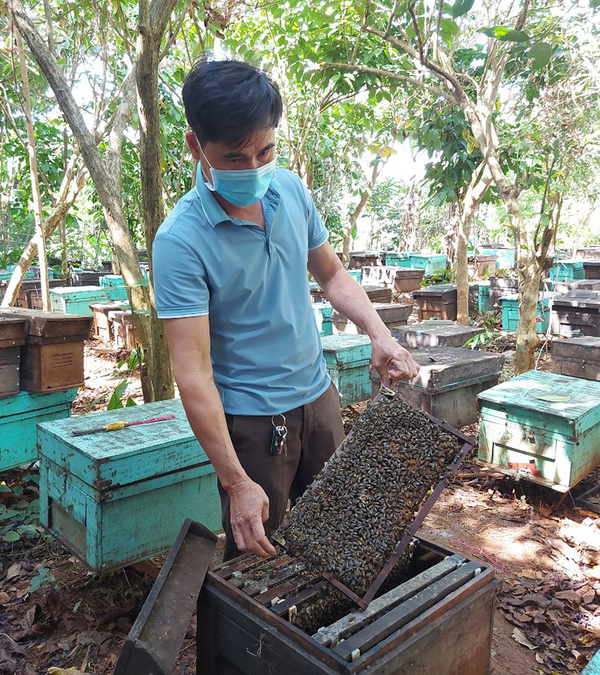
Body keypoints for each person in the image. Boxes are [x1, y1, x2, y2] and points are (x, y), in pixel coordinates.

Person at [152, 59, 419, 560]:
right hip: (253, 425)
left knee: (345, 531)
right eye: (234, 158)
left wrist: (379, 333)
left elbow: (334, 275)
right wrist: (235, 482)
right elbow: (192, 373)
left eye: (265, 151)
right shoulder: (180, 241)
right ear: (196, 147)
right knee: (257, 561)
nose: (253, 169)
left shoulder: (290, 189)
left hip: (318, 398)